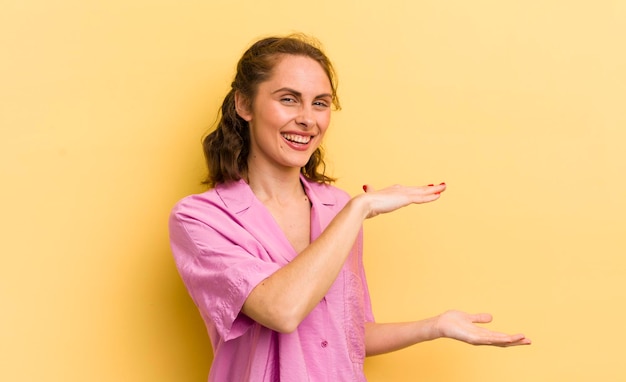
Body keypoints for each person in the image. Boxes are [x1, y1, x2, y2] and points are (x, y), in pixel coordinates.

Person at [169, 34, 531, 382]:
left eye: (321, 103)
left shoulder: (336, 206)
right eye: (289, 99)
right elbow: (282, 311)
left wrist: (434, 326)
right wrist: (360, 209)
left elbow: (344, 334)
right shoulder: (201, 219)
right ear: (244, 104)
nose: (308, 119)